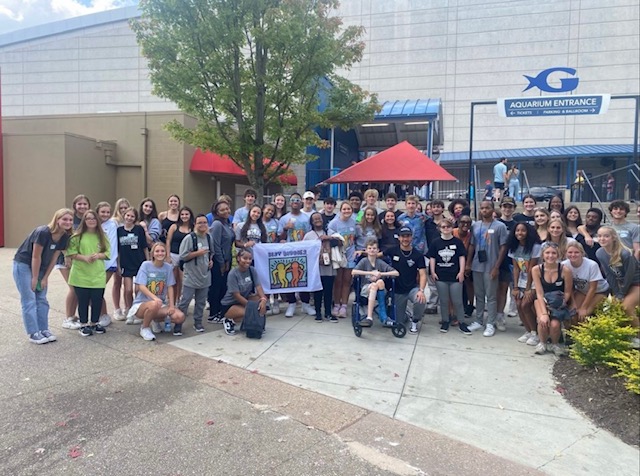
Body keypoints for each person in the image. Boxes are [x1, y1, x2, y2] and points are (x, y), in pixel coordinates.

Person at [13, 208, 73, 344]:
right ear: (57, 220)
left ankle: (44, 329)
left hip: (42, 267)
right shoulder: (42, 232)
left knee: (42, 299)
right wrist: (35, 278)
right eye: (64, 219)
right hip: (24, 265)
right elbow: (36, 256)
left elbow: (54, 259)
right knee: (29, 299)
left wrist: (45, 277)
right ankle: (34, 333)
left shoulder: (64, 237)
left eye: (70, 219)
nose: (68, 222)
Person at [465, 200, 509, 336]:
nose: (484, 210)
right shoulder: (475, 226)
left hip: (491, 266)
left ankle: (490, 323)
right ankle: (478, 320)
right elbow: (472, 245)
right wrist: (468, 263)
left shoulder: (500, 226)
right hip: (477, 266)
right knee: (479, 295)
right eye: (482, 208)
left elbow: (503, 247)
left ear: (493, 209)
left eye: (487, 208)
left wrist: (497, 266)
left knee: (491, 296)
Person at [66, 209, 110, 337]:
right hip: (81, 274)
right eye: (88, 218)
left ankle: (95, 323)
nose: (91, 221)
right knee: (83, 300)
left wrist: (99, 255)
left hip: (97, 274)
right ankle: (84, 324)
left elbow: (108, 253)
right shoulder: (77, 236)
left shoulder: (103, 236)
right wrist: (84, 258)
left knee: (97, 300)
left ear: (97, 220)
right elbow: (71, 252)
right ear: (84, 221)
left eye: (93, 218)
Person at [129, 242, 186, 341]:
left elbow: (170, 287)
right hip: (142, 304)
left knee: (179, 317)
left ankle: (154, 320)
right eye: (157, 251)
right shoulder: (146, 265)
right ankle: (145, 327)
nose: (160, 253)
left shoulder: (168, 267)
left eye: (162, 251)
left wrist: (172, 305)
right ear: (153, 253)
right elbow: (141, 286)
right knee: (154, 304)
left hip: (160, 304)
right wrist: (154, 298)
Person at [596, 227, 640, 347]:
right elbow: (609, 275)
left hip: (636, 282)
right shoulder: (600, 253)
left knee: (626, 306)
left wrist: (621, 293)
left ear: (613, 237)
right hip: (622, 284)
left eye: (606, 236)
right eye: (599, 236)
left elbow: (630, 276)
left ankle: (638, 336)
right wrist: (616, 293)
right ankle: (625, 334)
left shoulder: (626, 253)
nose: (602, 239)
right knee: (616, 306)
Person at [531, 242, 574, 356]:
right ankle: (542, 343)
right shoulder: (536, 270)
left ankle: (555, 344)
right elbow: (539, 293)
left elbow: (568, 292)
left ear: (558, 255)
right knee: (543, 321)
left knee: (555, 324)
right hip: (542, 300)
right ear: (543, 255)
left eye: (554, 253)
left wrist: (560, 305)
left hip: (558, 301)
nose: (550, 256)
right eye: (547, 253)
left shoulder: (565, 270)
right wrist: (545, 312)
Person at [427, 218, 468, 334]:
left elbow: (461, 257)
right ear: (439, 229)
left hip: (455, 276)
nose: (446, 229)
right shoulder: (435, 242)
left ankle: (461, 322)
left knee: (457, 300)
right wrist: (433, 271)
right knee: (444, 301)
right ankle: (445, 320)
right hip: (441, 276)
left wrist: (461, 271)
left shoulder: (457, 242)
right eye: (443, 227)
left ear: (452, 228)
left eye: (448, 227)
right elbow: (432, 258)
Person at [385, 226, 429, 334]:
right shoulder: (392, 250)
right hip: (397, 291)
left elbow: (423, 274)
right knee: (399, 321)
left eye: (408, 236)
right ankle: (406, 313)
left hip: (412, 288)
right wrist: (363, 253)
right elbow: (376, 255)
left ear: (411, 238)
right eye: (403, 236)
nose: (405, 239)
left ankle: (414, 321)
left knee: (420, 299)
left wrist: (421, 290)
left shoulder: (418, 255)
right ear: (399, 238)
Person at [277, 193, 313, 317]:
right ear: (290, 202)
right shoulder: (283, 219)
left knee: (303, 277)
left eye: (298, 200)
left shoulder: (306, 218)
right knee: (289, 278)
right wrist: (286, 229)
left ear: (301, 202)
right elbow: (279, 237)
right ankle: (291, 303)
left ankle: (305, 304)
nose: (295, 202)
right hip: (289, 252)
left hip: (302, 252)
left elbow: (309, 236)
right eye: (293, 200)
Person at [176, 214, 213, 335]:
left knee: (201, 302)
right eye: (199, 223)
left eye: (204, 222)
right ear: (195, 225)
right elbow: (183, 256)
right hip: (191, 276)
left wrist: (210, 260)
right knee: (185, 301)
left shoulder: (208, 237)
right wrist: (198, 253)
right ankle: (178, 323)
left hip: (205, 276)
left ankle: (198, 322)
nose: (202, 225)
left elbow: (210, 253)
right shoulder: (189, 238)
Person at [219, 248, 268, 336]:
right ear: (238, 258)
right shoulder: (233, 274)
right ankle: (229, 320)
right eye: (245, 258)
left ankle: (256, 324)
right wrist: (251, 307)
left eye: (250, 259)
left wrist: (263, 299)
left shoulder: (252, 270)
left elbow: (258, 286)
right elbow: (236, 295)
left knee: (261, 303)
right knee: (251, 312)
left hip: (244, 299)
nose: (248, 261)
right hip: (230, 304)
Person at [352, 238, 399, 327]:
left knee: (379, 282)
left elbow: (396, 273)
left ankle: (372, 317)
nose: (372, 250)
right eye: (370, 248)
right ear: (366, 250)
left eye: (374, 248)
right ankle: (380, 316)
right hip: (366, 289)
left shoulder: (380, 262)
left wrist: (380, 274)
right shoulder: (364, 261)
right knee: (374, 285)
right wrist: (370, 273)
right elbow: (353, 272)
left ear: (378, 250)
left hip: (380, 289)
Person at [507, 223, 541, 345]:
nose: (519, 233)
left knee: (526, 304)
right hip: (520, 280)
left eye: (523, 230)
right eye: (517, 231)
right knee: (518, 304)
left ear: (529, 232)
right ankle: (528, 331)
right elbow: (516, 268)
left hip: (534, 280)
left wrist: (528, 289)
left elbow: (532, 268)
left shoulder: (535, 247)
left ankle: (535, 333)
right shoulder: (514, 247)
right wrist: (515, 287)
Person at [59, 194, 90, 330]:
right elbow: (61, 238)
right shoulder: (70, 218)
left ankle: (73, 316)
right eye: (79, 204)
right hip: (67, 259)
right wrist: (66, 256)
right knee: (74, 288)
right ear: (74, 205)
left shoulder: (89, 219)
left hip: (80, 259)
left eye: (85, 204)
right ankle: (68, 318)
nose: (82, 206)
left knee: (78, 289)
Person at [562, 241, 609, 323]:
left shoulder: (591, 265)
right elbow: (569, 287)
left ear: (582, 253)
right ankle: (573, 334)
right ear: (566, 253)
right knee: (573, 314)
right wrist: (573, 303)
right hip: (582, 290)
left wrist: (584, 307)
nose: (573, 255)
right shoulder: (564, 265)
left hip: (599, 291)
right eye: (570, 252)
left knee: (584, 313)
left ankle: (586, 333)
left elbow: (593, 288)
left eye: (576, 252)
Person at [304, 212, 338, 322]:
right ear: (311, 222)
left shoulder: (329, 232)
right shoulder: (308, 235)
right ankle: (318, 312)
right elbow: (304, 251)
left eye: (319, 218)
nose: (318, 220)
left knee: (328, 290)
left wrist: (329, 237)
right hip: (315, 268)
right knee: (317, 291)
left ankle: (328, 312)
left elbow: (340, 241)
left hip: (328, 266)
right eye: (315, 219)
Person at [328, 201, 359, 318]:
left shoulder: (355, 223)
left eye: (349, 209)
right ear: (340, 210)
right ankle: (336, 304)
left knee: (347, 281)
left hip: (350, 255)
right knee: (338, 281)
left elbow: (357, 238)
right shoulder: (334, 223)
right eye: (344, 209)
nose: (347, 211)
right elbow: (330, 239)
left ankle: (344, 306)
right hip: (338, 256)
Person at [117, 208, 149, 323]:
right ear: (124, 216)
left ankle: (138, 311)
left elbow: (144, 246)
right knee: (128, 290)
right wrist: (118, 265)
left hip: (139, 263)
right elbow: (118, 250)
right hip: (126, 263)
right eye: (127, 215)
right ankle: (129, 310)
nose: (129, 218)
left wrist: (147, 262)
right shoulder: (119, 231)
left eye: (132, 216)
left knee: (138, 290)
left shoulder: (139, 229)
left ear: (135, 218)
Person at [208, 200, 235, 323]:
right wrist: (221, 262)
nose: (226, 211)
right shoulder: (217, 224)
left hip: (226, 260)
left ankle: (220, 311)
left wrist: (227, 261)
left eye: (227, 209)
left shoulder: (227, 223)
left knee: (223, 287)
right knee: (216, 287)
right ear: (217, 212)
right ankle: (213, 314)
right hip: (218, 262)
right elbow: (215, 245)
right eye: (222, 210)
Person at [96, 201, 118, 328]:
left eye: (108, 212)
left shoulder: (112, 225)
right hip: (95, 263)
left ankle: (104, 315)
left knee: (98, 290)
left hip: (109, 263)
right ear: (97, 212)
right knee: (94, 291)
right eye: (103, 212)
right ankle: (99, 314)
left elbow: (113, 245)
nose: (105, 214)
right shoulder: (93, 224)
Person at [166, 206, 195, 301]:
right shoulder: (174, 226)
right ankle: (172, 301)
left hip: (186, 257)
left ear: (190, 215)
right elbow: (168, 241)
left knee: (182, 281)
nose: (184, 216)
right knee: (173, 280)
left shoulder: (193, 228)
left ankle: (179, 300)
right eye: (182, 214)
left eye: (186, 214)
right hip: (174, 255)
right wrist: (168, 256)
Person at [497, 197, 518, 321]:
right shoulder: (496, 223)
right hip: (499, 261)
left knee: (512, 289)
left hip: (513, 262)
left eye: (510, 206)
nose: (507, 209)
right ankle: (498, 315)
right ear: (501, 208)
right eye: (505, 206)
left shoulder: (517, 225)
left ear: (514, 208)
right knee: (499, 290)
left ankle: (507, 313)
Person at [110, 198, 130, 321]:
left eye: (125, 208)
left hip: (128, 255)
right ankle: (117, 308)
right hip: (117, 255)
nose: (123, 210)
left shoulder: (130, 219)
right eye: (121, 208)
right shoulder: (114, 222)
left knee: (127, 284)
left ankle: (127, 307)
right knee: (117, 281)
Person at [454, 215, 475, 318]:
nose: (465, 224)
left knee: (469, 284)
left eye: (468, 223)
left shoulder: (471, 235)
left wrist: (468, 264)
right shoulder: (452, 232)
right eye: (463, 222)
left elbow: (472, 248)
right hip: (452, 262)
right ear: (458, 222)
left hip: (467, 262)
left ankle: (470, 305)